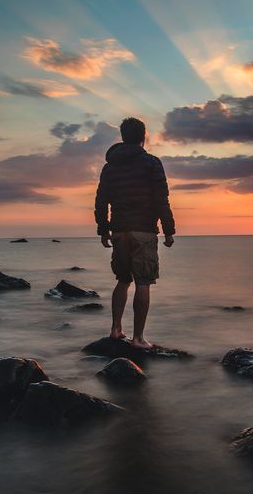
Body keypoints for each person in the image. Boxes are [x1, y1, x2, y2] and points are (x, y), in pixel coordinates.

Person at [94, 117, 176, 349]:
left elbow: (101, 200)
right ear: (143, 136)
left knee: (122, 280)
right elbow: (161, 198)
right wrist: (168, 231)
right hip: (143, 231)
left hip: (119, 230)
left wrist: (103, 229)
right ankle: (138, 338)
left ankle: (115, 329)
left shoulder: (110, 166)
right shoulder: (151, 163)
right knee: (143, 282)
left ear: (122, 136)